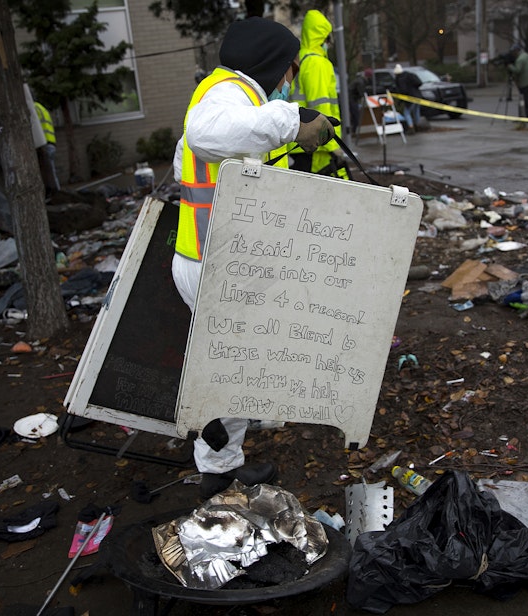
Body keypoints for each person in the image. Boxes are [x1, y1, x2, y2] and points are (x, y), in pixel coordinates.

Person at [171, 17, 334, 499]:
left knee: (239, 360)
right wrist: (289, 123)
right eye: (288, 72)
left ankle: (220, 457)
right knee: (235, 365)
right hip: (211, 265)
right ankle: (215, 458)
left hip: (212, 260)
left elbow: (199, 161)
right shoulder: (223, 96)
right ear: (272, 65)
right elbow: (203, 134)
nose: (287, 83)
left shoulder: (232, 96)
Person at [288, 9, 348, 179]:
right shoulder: (317, 63)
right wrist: (332, 145)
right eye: (328, 38)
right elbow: (320, 106)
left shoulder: (302, 58)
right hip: (317, 146)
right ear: (322, 37)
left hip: (301, 142)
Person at [34, 101, 61, 192]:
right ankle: (57, 191)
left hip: (43, 145)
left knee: (48, 173)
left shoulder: (33, 109)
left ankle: (55, 193)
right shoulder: (42, 108)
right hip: (51, 143)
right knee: (52, 172)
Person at [506, 43, 528, 118]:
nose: (513, 54)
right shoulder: (525, 55)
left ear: (516, 51)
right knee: (527, 98)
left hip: (523, 82)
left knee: (524, 99)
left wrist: (510, 66)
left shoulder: (519, 60)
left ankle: (526, 115)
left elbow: (517, 70)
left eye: (513, 52)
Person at [392, 64, 423, 133]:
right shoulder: (410, 75)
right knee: (416, 112)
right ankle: (417, 126)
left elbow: (403, 90)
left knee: (406, 113)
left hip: (409, 97)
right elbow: (419, 83)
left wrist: (400, 101)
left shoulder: (399, 78)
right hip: (418, 96)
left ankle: (411, 127)